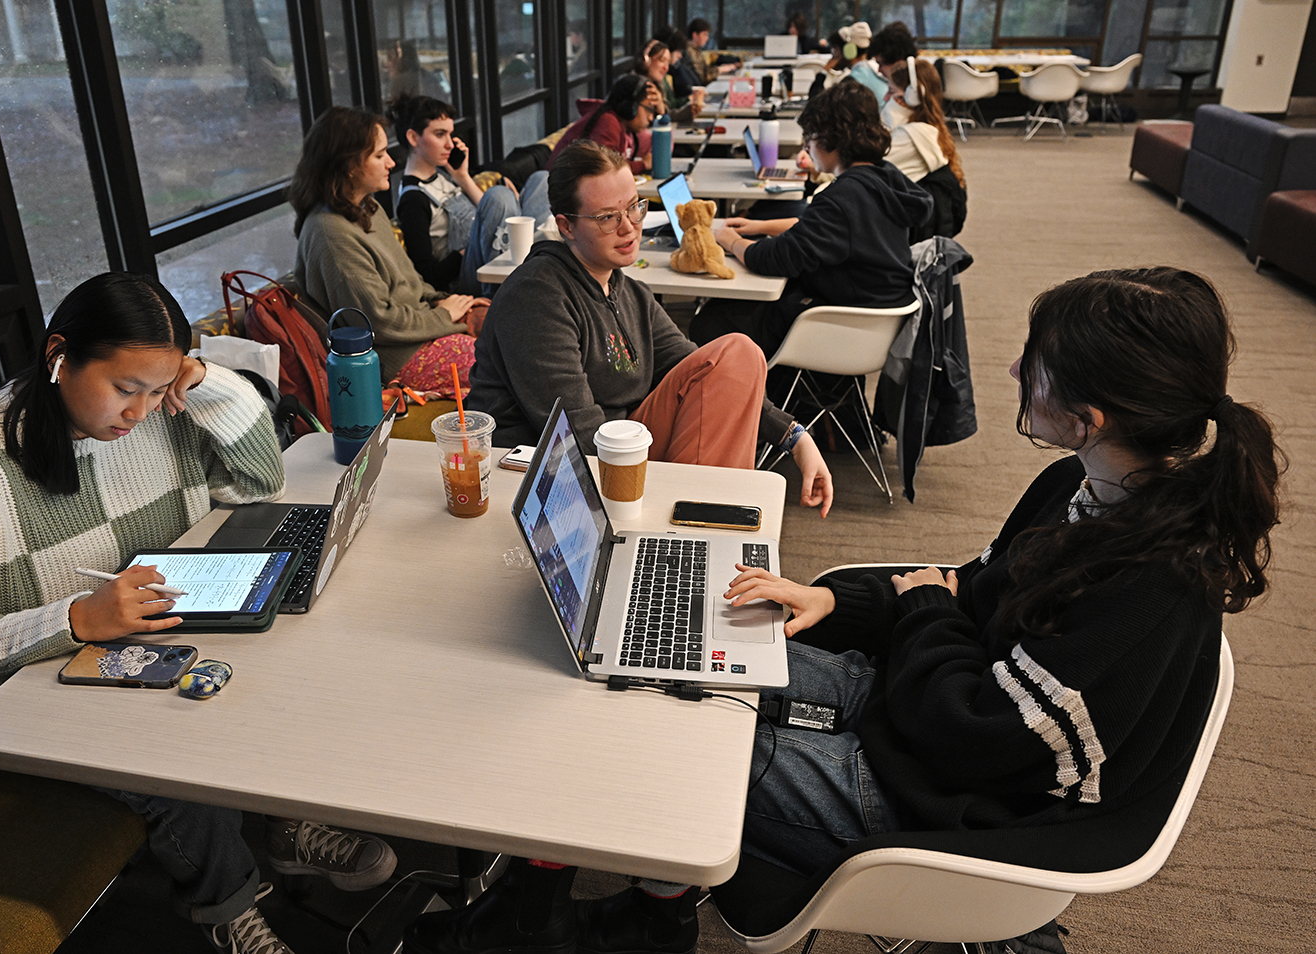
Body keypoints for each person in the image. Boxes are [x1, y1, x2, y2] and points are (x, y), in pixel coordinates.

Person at [404, 265, 1283, 954]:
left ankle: (560, 917)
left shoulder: (1153, 583)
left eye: (1035, 364)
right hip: (930, 717)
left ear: (1088, 418)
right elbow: (961, 591)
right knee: (679, 660)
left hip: (950, 795)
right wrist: (833, 596)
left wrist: (927, 613)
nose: (1015, 369)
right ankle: (633, 908)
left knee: (667, 745)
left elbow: (982, 730)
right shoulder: (1079, 487)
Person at [0, 272, 399, 954]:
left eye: (158, 388)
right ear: (58, 356)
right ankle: (226, 904)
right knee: (171, 755)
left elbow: (259, 479)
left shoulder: (163, 410)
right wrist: (75, 619)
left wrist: (202, 379)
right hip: (39, 680)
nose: (138, 412)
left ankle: (286, 823)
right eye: (123, 388)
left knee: (286, 659)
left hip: (153, 630)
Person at [466, 139, 833, 512]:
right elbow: (578, 435)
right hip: (548, 476)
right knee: (736, 351)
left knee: (739, 355)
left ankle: (704, 516)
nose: (629, 228)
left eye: (635, 208)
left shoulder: (627, 290)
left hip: (623, 446)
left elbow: (704, 366)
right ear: (567, 226)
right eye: (607, 217)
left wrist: (795, 438)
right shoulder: (538, 294)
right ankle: (698, 523)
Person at [693, 81, 932, 357]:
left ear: (833, 137)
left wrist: (732, 241)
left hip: (837, 324)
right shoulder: (883, 177)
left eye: (811, 137)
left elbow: (776, 258)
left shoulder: (843, 197)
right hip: (873, 315)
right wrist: (758, 227)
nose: (806, 146)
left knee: (710, 321)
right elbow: (827, 231)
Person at [292, 106, 486, 393]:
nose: (392, 163)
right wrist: (444, 316)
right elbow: (378, 323)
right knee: (508, 362)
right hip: (400, 355)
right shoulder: (331, 233)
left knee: (518, 323)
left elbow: (411, 279)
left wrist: (449, 303)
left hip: (424, 329)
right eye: (380, 155)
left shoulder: (368, 208)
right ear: (349, 165)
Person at [389, 94, 551, 295]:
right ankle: (533, 275)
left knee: (542, 179)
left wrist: (463, 177)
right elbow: (428, 275)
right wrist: (462, 254)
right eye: (440, 135)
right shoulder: (413, 199)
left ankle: (543, 264)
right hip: (468, 280)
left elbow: (492, 215)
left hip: (499, 253)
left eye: (450, 134)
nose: (449, 144)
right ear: (413, 138)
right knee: (499, 195)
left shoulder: (445, 176)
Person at [885, 56, 968, 240]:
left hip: (911, 233)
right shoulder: (930, 128)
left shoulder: (911, 135)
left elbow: (865, 169)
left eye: (892, 92)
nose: (886, 98)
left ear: (912, 96)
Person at [549, 74, 660, 175]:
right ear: (629, 107)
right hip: (563, 187)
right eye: (648, 109)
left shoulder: (627, 128)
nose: (651, 118)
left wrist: (663, 113)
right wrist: (642, 165)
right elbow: (605, 169)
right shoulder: (607, 122)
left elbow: (659, 150)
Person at [633, 36, 698, 123]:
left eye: (667, 63)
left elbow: (665, 115)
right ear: (646, 61)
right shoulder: (636, 87)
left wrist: (687, 112)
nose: (666, 68)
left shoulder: (656, 85)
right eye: (662, 60)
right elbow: (643, 125)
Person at [680, 17, 735, 84]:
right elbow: (702, 77)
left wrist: (721, 68)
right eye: (704, 34)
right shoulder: (689, 51)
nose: (707, 38)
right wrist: (720, 69)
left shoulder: (696, 50)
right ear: (695, 35)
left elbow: (705, 70)